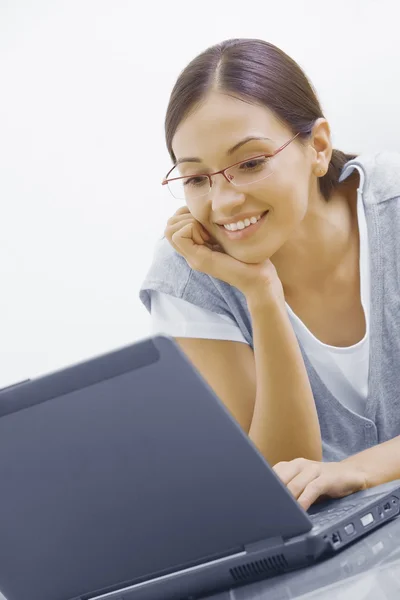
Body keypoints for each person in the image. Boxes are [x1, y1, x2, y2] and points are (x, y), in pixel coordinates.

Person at [139, 38, 400, 510]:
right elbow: (274, 488)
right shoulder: (190, 274)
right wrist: (262, 294)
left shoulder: (394, 207)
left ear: (318, 147)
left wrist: (353, 471)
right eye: (197, 178)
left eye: (251, 163)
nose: (223, 202)